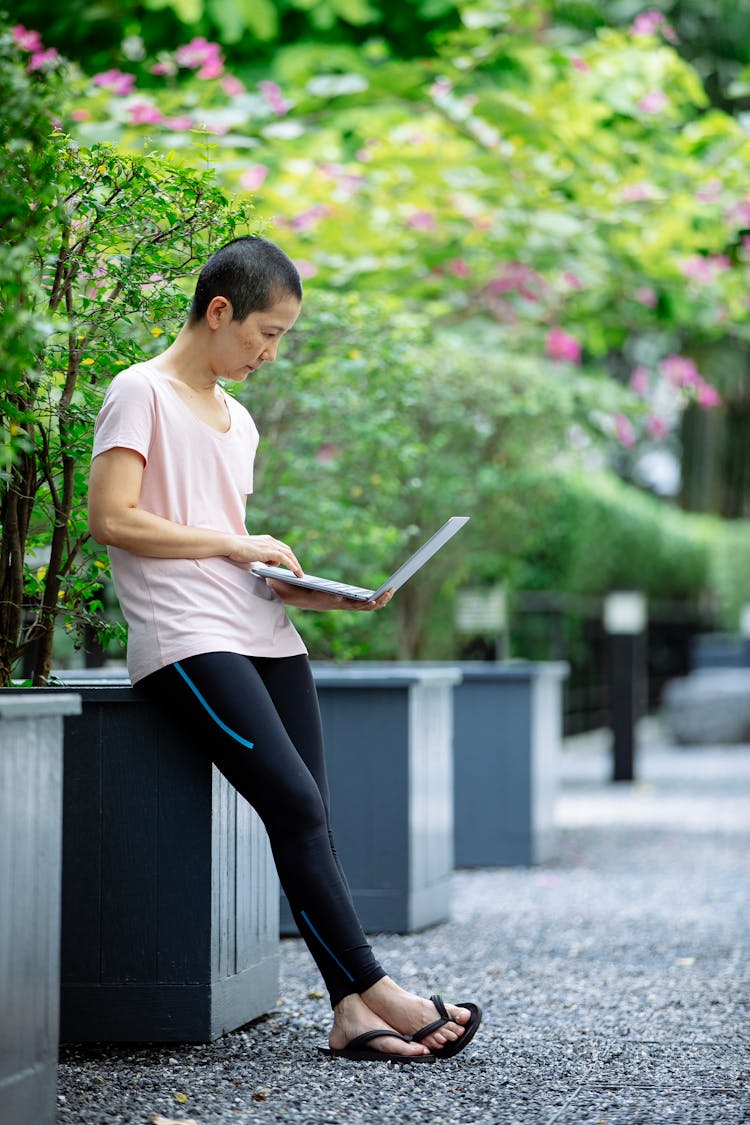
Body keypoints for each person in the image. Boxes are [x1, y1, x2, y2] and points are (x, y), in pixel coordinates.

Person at [87, 234, 482, 1064]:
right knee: (295, 805)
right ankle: (382, 989)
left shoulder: (241, 419)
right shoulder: (140, 392)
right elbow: (115, 519)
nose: (271, 352)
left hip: (263, 628)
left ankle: (350, 1011)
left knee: (312, 815)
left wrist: (289, 578)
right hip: (187, 640)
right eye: (267, 333)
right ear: (220, 310)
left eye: (283, 338)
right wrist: (234, 546)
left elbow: (221, 537)